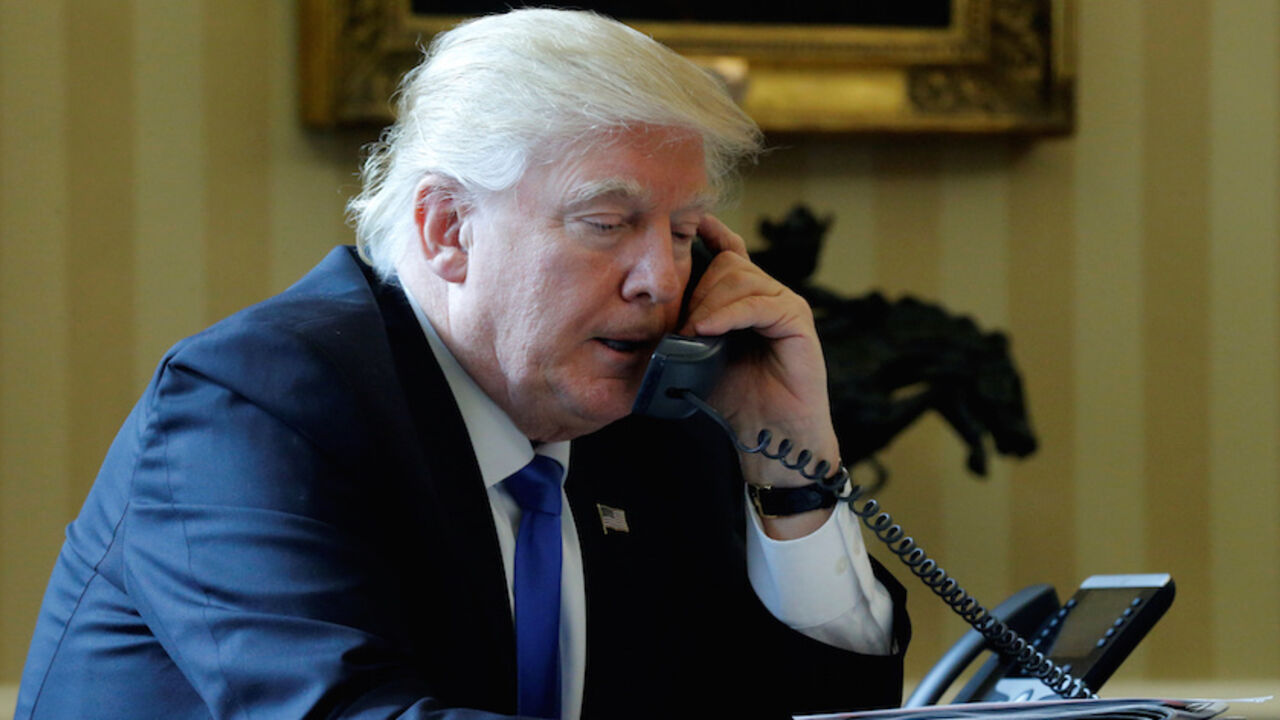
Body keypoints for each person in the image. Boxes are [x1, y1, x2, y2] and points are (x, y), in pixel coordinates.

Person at [15, 8, 909, 719]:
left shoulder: (655, 426)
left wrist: (792, 475)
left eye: (683, 234)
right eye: (608, 224)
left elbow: (814, 711)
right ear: (448, 230)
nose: (662, 281)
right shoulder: (259, 404)